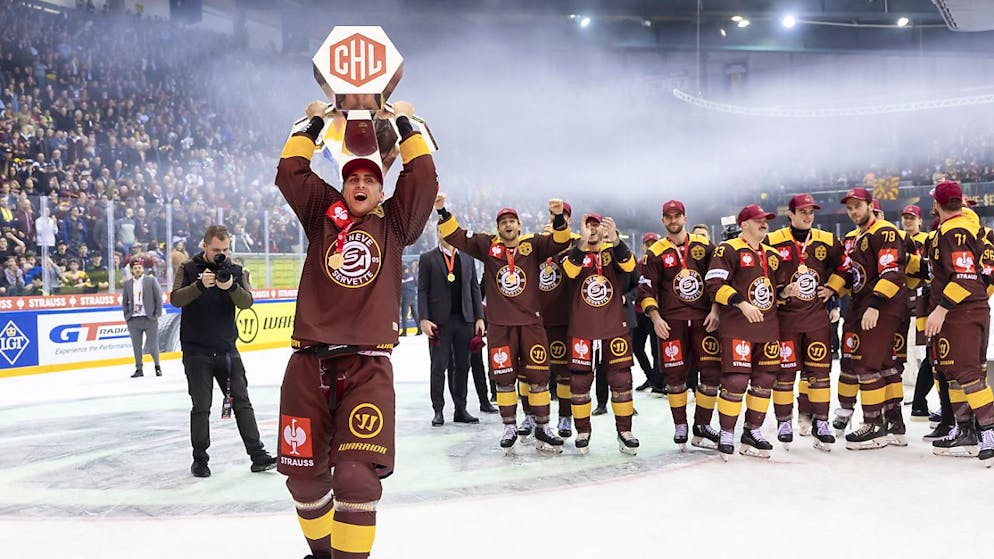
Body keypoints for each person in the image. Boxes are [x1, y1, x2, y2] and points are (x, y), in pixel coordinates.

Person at [275, 100, 436, 559]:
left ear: (382, 191)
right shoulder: (323, 212)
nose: (360, 183)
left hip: (367, 366)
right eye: (353, 178)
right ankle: (324, 554)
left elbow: (422, 177)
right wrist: (315, 122)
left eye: (370, 179)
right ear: (342, 185)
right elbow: (290, 172)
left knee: (354, 476)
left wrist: (404, 122)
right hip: (308, 363)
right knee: (302, 476)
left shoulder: (395, 224)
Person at [437, 194, 571, 454]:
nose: (508, 225)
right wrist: (442, 211)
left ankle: (543, 425)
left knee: (538, 376)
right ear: (498, 228)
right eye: (503, 222)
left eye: (512, 221)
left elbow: (560, 241)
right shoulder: (488, 246)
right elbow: (458, 237)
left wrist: (557, 218)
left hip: (530, 324)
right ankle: (509, 426)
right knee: (504, 379)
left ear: (519, 225)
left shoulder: (532, 245)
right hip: (499, 326)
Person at [170, 224, 276, 478]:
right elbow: (175, 299)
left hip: (227, 349)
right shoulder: (188, 268)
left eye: (225, 249)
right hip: (196, 351)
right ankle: (200, 460)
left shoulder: (236, 271)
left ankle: (257, 455)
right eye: (216, 249)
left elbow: (247, 302)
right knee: (201, 406)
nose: (221, 254)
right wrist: (199, 286)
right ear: (204, 246)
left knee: (242, 402)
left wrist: (230, 286)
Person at [821, 187, 907, 450]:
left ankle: (873, 425)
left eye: (858, 206)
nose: (853, 211)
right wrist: (832, 289)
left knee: (868, 365)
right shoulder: (855, 236)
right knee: (883, 365)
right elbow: (850, 273)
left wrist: (876, 305)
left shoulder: (885, 231)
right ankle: (894, 422)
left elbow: (892, 270)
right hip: (859, 306)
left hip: (879, 307)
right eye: (849, 208)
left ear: (871, 205)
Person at [706, 204, 793, 459]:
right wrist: (741, 303)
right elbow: (713, 284)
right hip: (738, 327)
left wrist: (787, 292)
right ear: (744, 224)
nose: (764, 224)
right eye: (758, 220)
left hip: (768, 328)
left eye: (765, 220)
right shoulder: (728, 249)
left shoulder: (771, 254)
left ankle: (752, 431)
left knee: (765, 381)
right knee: (736, 381)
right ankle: (726, 432)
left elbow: (776, 291)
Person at [639, 199, 722, 450]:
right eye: (669, 217)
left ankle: (703, 425)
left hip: (703, 319)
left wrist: (717, 310)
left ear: (685, 218)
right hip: (671, 322)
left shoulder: (705, 246)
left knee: (710, 374)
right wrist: (655, 318)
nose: (673, 221)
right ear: (663, 221)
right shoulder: (655, 252)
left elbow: (717, 280)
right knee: (675, 377)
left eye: (678, 216)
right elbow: (646, 289)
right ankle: (680, 425)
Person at [924, 181, 994, 462]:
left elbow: (963, 275)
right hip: (975, 308)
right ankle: (963, 428)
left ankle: (989, 431)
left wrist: (941, 308)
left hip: (959, 311)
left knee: (967, 374)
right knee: (958, 372)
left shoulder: (953, 231)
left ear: (937, 204)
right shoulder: (975, 228)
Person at [765, 194, 842, 450]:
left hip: (816, 318)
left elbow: (844, 268)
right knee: (785, 374)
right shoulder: (773, 240)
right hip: (786, 319)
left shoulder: (827, 240)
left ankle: (821, 422)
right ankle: (784, 422)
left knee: (819, 374)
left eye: (811, 212)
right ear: (790, 214)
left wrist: (833, 291)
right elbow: (761, 273)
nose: (808, 216)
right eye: (802, 211)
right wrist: (782, 292)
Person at [562, 213, 640, 454]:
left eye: (596, 225)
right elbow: (570, 273)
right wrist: (582, 243)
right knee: (580, 382)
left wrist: (615, 239)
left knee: (621, 380)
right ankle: (583, 431)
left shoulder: (612, 252)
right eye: (588, 226)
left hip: (613, 327)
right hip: (582, 329)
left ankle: (625, 431)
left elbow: (629, 265)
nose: (593, 229)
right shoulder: (574, 251)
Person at [418, 226, 485, 426]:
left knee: (463, 366)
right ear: (438, 233)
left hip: (465, 320)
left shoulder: (467, 257)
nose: (446, 234)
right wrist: (423, 318)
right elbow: (422, 291)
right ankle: (438, 410)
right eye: (442, 231)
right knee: (438, 366)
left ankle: (460, 408)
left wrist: (479, 317)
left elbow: (474, 288)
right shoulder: (428, 258)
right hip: (439, 323)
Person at [632, 232, 662, 394]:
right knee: (636, 346)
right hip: (639, 311)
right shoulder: (637, 264)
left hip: (656, 312)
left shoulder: (661, 262)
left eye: (653, 243)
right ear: (643, 245)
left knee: (656, 349)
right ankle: (650, 376)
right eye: (647, 243)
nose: (650, 246)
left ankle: (658, 381)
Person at [122, 259, 162, 378]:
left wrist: (157, 314)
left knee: (152, 344)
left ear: (143, 269)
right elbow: (124, 301)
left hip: (149, 318)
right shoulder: (128, 284)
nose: (138, 269)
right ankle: (139, 368)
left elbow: (158, 298)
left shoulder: (151, 281)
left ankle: (157, 366)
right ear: (132, 270)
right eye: (135, 268)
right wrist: (127, 315)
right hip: (134, 319)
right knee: (136, 345)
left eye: (139, 267)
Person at [400, 262, 420, 335]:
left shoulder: (399, 278)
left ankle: (404, 332)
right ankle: (419, 329)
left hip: (405, 298)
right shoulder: (412, 276)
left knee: (404, 315)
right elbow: (417, 284)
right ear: (406, 270)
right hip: (412, 297)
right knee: (415, 314)